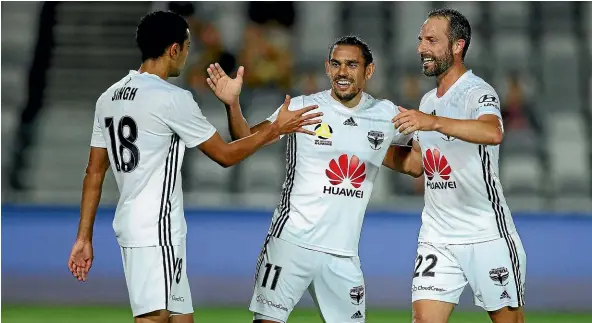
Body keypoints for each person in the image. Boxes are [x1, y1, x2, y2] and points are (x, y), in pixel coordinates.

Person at [66, 11, 321, 323]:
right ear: (174, 49)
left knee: (181, 319)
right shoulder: (171, 98)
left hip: (149, 225)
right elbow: (225, 155)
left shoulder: (108, 98)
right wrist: (275, 129)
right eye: (187, 48)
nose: (188, 56)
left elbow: (94, 171)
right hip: (154, 227)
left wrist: (83, 237)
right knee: (153, 318)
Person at [205, 35, 413, 323]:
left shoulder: (385, 115)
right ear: (327, 68)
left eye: (352, 65)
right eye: (336, 64)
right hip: (291, 243)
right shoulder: (302, 107)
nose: (343, 72)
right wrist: (232, 104)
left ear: (369, 71)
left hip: (343, 254)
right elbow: (245, 138)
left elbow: (418, 162)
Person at [383, 8, 526, 323]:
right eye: (421, 40)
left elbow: (493, 132)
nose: (422, 48)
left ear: (457, 46)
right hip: (437, 235)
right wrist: (370, 148)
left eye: (432, 40)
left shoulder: (477, 92)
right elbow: (417, 164)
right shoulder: (427, 102)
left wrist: (432, 123)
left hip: (486, 233)